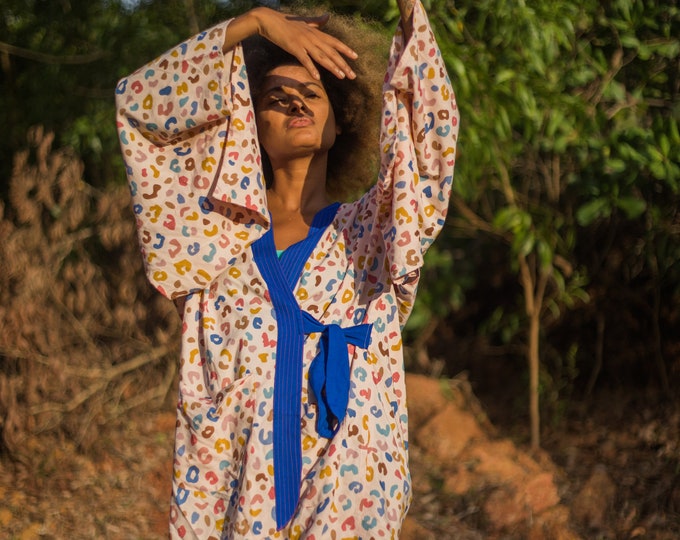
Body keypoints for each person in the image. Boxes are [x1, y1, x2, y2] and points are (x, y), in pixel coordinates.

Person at [115, 0, 458, 537]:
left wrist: (411, 6)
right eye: (276, 97)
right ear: (249, 125)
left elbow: (426, 138)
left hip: (345, 509)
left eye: (313, 93)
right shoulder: (208, 244)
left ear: (341, 119)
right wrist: (255, 22)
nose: (296, 100)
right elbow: (139, 107)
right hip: (235, 512)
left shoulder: (372, 232)